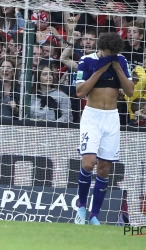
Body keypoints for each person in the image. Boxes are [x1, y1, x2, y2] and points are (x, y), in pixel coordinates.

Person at [74, 32, 134, 225]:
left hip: (111, 118)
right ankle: (81, 207)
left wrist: (118, 70)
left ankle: (94, 216)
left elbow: (130, 91)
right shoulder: (86, 61)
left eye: (114, 54)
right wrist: (99, 71)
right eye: (109, 53)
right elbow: (80, 92)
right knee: (88, 163)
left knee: (104, 168)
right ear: (101, 49)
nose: (111, 56)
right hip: (92, 116)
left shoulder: (121, 60)